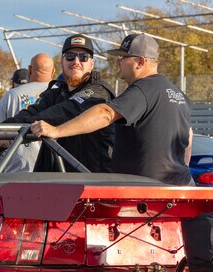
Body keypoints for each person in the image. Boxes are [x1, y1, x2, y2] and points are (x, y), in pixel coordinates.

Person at [31, 34, 193, 186]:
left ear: (140, 62)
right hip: (178, 186)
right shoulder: (178, 94)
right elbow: (188, 137)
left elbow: (105, 113)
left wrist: (56, 131)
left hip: (146, 194)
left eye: (123, 58)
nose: (118, 62)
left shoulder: (143, 90)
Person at [0, 34, 115, 173]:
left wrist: (11, 130)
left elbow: (63, 113)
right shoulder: (56, 92)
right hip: (59, 181)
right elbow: (32, 112)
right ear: (62, 62)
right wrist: (3, 129)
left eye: (83, 57)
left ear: (91, 64)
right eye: (70, 56)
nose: (76, 61)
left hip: (92, 182)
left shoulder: (98, 92)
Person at [0, 53, 55, 172]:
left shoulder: (12, 95)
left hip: (17, 171)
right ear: (53, 71)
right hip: (57, 171)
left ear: (30, 69)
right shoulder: (63, 95)